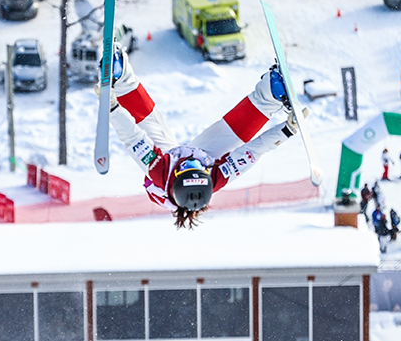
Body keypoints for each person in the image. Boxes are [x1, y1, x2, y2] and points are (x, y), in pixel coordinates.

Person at [105, 47, 301, 229]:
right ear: (208, 176)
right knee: (234, 136)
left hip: (166, 163)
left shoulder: (160, 172)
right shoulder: (217, 176)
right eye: (198, 168)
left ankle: (120, 77)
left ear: (175, 176)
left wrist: (113, 109)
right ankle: (271, 93)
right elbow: (253, 150)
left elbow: (133, 138)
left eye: (188, 168)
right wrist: (286, 131)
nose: (191, 162)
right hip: (203, 157)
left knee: (150, 124)